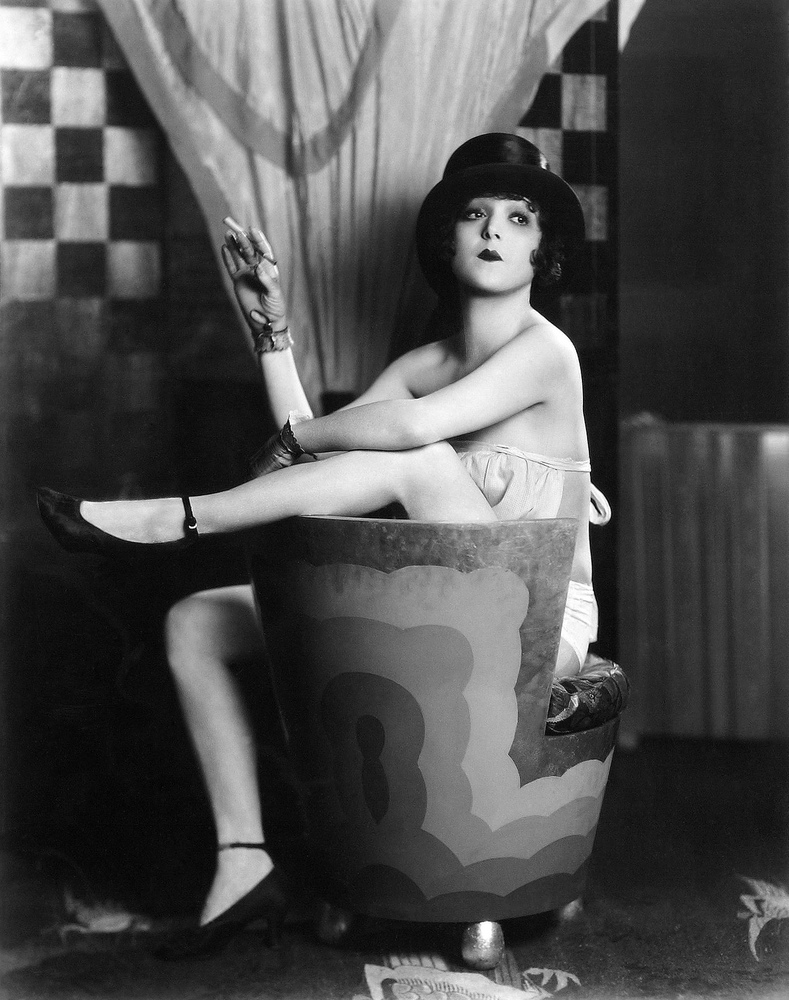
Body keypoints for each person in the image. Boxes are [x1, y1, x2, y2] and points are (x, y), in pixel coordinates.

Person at [37, 133, 608, 958]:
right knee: (195, 621)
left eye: (517, 219)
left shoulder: (547, 354)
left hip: (538, 625)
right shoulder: (419, 367)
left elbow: (400, 434)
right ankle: (244, 860)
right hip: (438, 610)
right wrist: (271, 335)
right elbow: (321, 465)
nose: (492, 230)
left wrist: (299, 440)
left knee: (422, 459)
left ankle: (176, 519)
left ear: (540, 250)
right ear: (445, 240)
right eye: (473, 215)